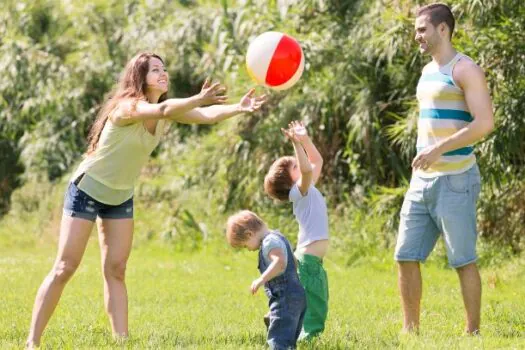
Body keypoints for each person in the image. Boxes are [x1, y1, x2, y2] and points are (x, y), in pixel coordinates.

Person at [26, 52, 267, 348]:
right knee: (65, 267)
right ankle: (32, 342)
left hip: (120, 196)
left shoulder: (160, 110)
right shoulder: (127, 108)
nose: (163, 73)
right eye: (155, 70)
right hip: (87, 190)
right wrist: (198, 98)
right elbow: (167, 109)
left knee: (116, 269)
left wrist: (237, 108)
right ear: (140, 77)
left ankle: (122, 341)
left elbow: (205, 116)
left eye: (164, 69)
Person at [394, 3, 494, 334]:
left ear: (442, 29)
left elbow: (484, 124)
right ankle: (411, 330)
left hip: (456, 179)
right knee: (405, 255)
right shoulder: (426, 73)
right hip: (421, 180)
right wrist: (426, 156)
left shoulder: (466, 69)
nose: (416, 35)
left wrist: (438, 149)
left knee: (462, 260)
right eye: (416, 29)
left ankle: (473, 331)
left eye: (422, 29)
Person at [264, 121, 329, 340]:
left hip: (310, 260)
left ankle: (280, 316)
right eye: (294, 166)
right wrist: (296, 145)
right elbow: (307, 168)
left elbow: (316, 161)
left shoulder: (307, 189)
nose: (299, 164)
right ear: (291, 181)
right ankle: (307, 337)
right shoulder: (298, 193)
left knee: (308, 299)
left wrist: (304, 138)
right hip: (308, 259)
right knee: (315, 302)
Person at [226, 210, 306, 350]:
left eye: (245, 245)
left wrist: (261, 279)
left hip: (285, 298)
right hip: (296, 296)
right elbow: (293, 261)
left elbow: (280, 262)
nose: (248, 249)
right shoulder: (278, 236)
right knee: (288, 341)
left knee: (278, 341)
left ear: (249, 234)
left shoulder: (269, 242)